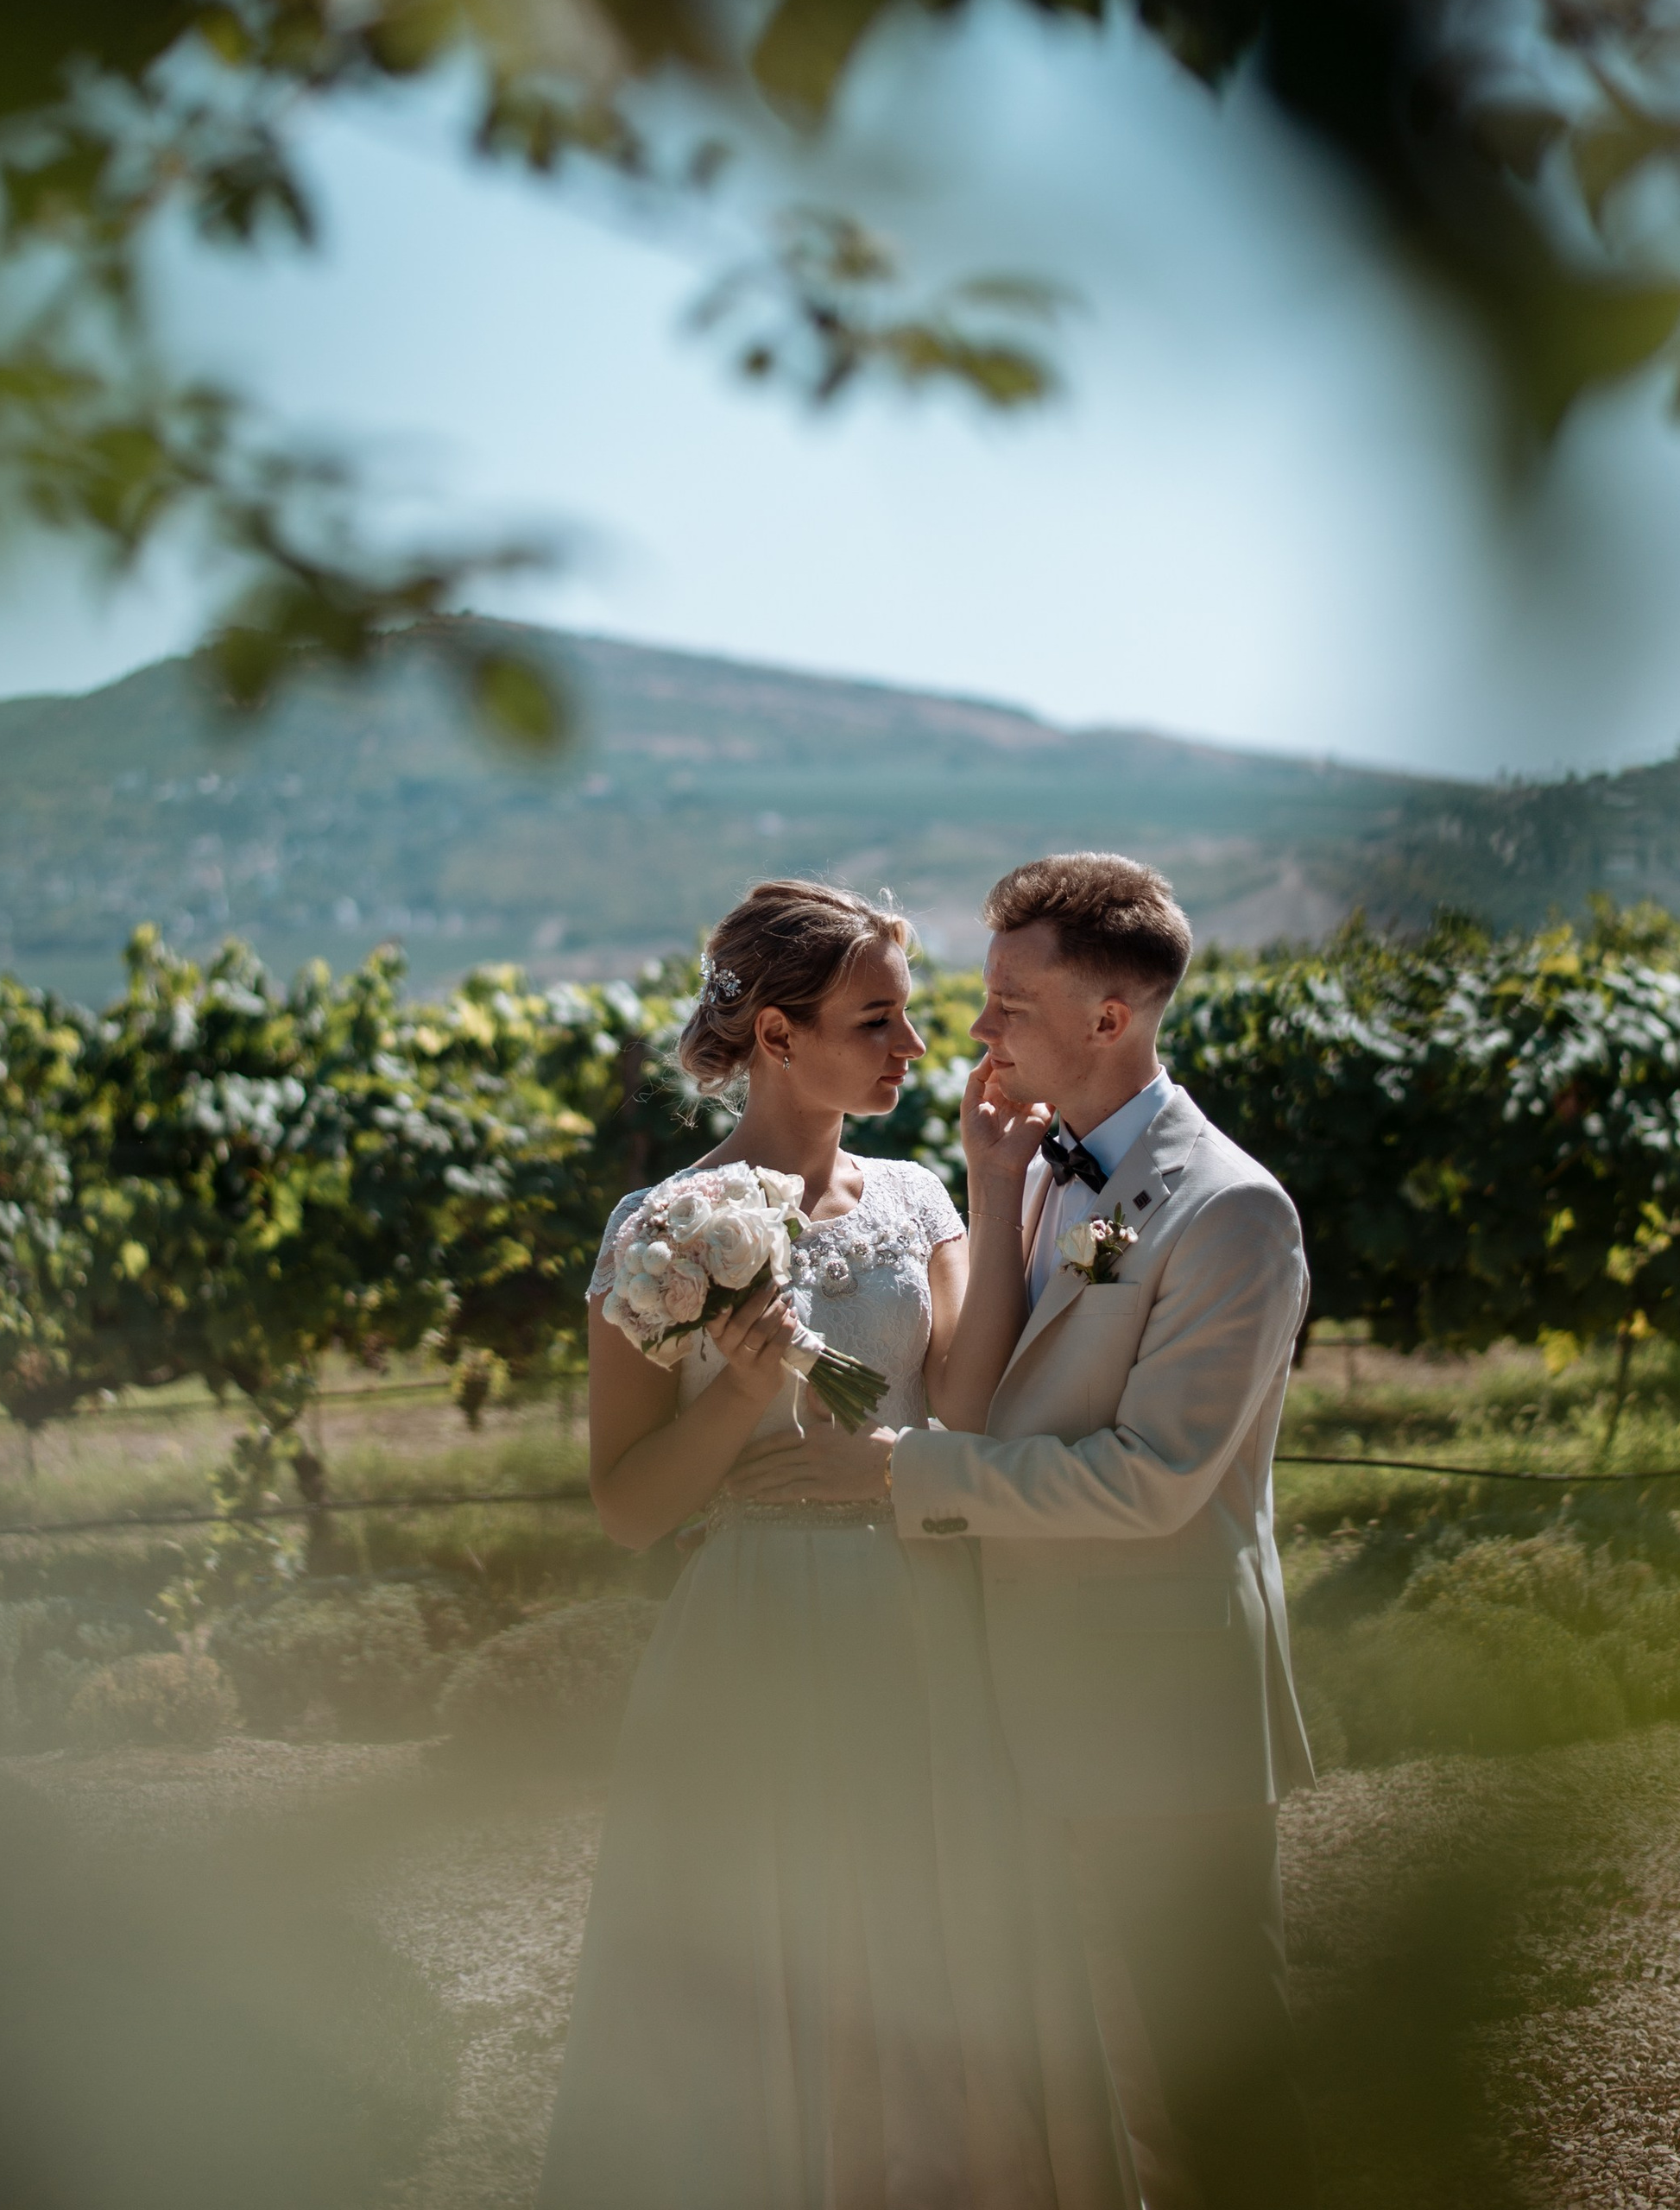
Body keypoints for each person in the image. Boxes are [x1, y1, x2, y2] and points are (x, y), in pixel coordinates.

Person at [535, 880, 1127, 2210]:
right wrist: (742, 1393)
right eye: (879, 1021)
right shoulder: (655, 1232)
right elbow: (629, 1510)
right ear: (778, 1035)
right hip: (749, 1637)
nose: (915, 1051)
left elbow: (965, 1410)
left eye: (911, 1019)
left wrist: (989, 1181)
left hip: (919, 1612)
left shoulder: (921, 1199)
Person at [738, 854, 1317, 2210]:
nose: (976, 1031)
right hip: (1020, 1713)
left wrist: (907, 1477)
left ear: (1109, 1019)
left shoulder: (1232, 1211)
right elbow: (1004, 1378)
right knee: (1099, 2113)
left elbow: (1153, 1478)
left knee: (1211, 2099)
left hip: (1161, 1714)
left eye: (1007, 1001)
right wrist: (992, 1195)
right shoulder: (1038, 1168)